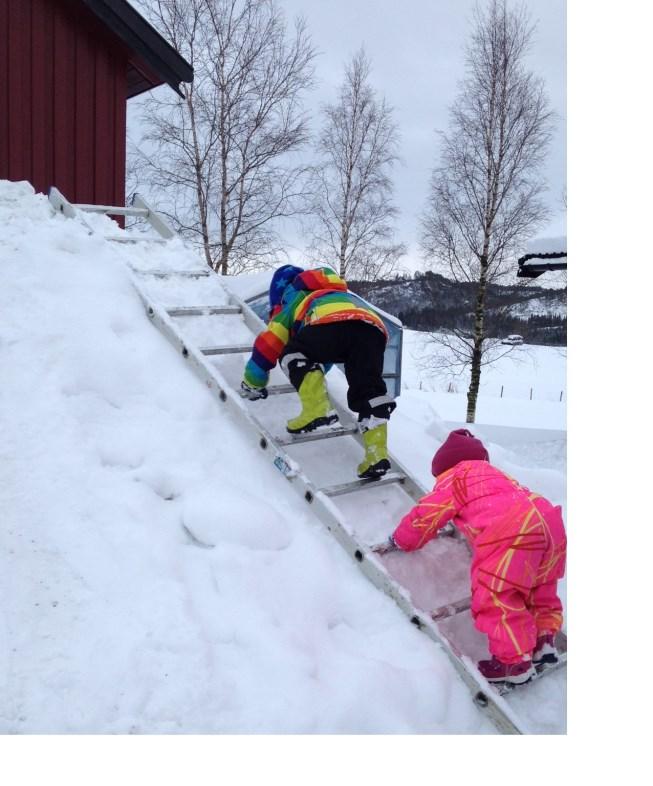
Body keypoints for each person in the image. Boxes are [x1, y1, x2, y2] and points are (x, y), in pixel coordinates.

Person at [387, 429, 566, 684]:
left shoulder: (455, 478)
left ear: (444, 466)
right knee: (539, 589)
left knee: (496, 594)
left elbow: (427, 514)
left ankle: (513, 664)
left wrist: (401, 540)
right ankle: (544, 642)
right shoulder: (496, 476)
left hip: (512, 529)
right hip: (548, 520)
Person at [240, 264, 396, 479]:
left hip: (329, 324)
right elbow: (323, 354)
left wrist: (253, 381)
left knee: (291, 355)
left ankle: (318, 410)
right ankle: (377, 455)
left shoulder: (295, 300)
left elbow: (270, 343)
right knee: (368, 390)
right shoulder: (338, 296)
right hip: (372, 330)